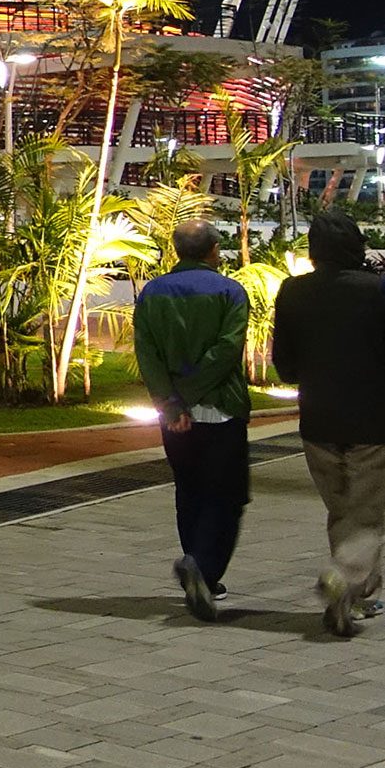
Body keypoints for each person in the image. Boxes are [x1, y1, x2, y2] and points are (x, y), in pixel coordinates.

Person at [274, 210, 385, 637]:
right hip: (377, 420)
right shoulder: (378, 289)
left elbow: (284, 363)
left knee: (343, 510)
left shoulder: (292, 292)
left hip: (319, 420)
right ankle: (346, 577)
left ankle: (359, 597)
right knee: (367, 513)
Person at [131, 220, 252, 622]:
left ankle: (196, 564)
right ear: (213, 249)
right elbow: (227, 350)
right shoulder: (230, 292)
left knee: (189, 490)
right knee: (227, 495)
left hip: (175, 417)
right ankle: (203, 567)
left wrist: (171, 402)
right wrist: (191, 395)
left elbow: (146, 353)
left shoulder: (152, 293)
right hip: (220, 408)